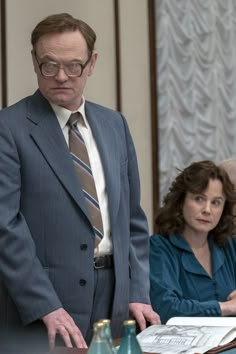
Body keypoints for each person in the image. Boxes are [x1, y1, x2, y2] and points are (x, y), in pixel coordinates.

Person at [0, 13, 160, 352]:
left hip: (114, 303)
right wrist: (45, 304)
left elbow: (131, 221)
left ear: (92, 64)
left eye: (74, 65)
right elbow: (5, 226)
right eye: (49, 65)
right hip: (43, 306)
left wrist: (138, 293)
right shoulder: (9, 128)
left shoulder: (114, 124)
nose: (61, 76)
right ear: (34, 61)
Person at [149, 160, 236, 324]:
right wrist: (226, 307)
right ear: (181, 201)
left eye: (216, 202)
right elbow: (167, 309)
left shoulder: (228, 245)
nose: (207, 210)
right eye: (199, 199)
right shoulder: (159, 247)